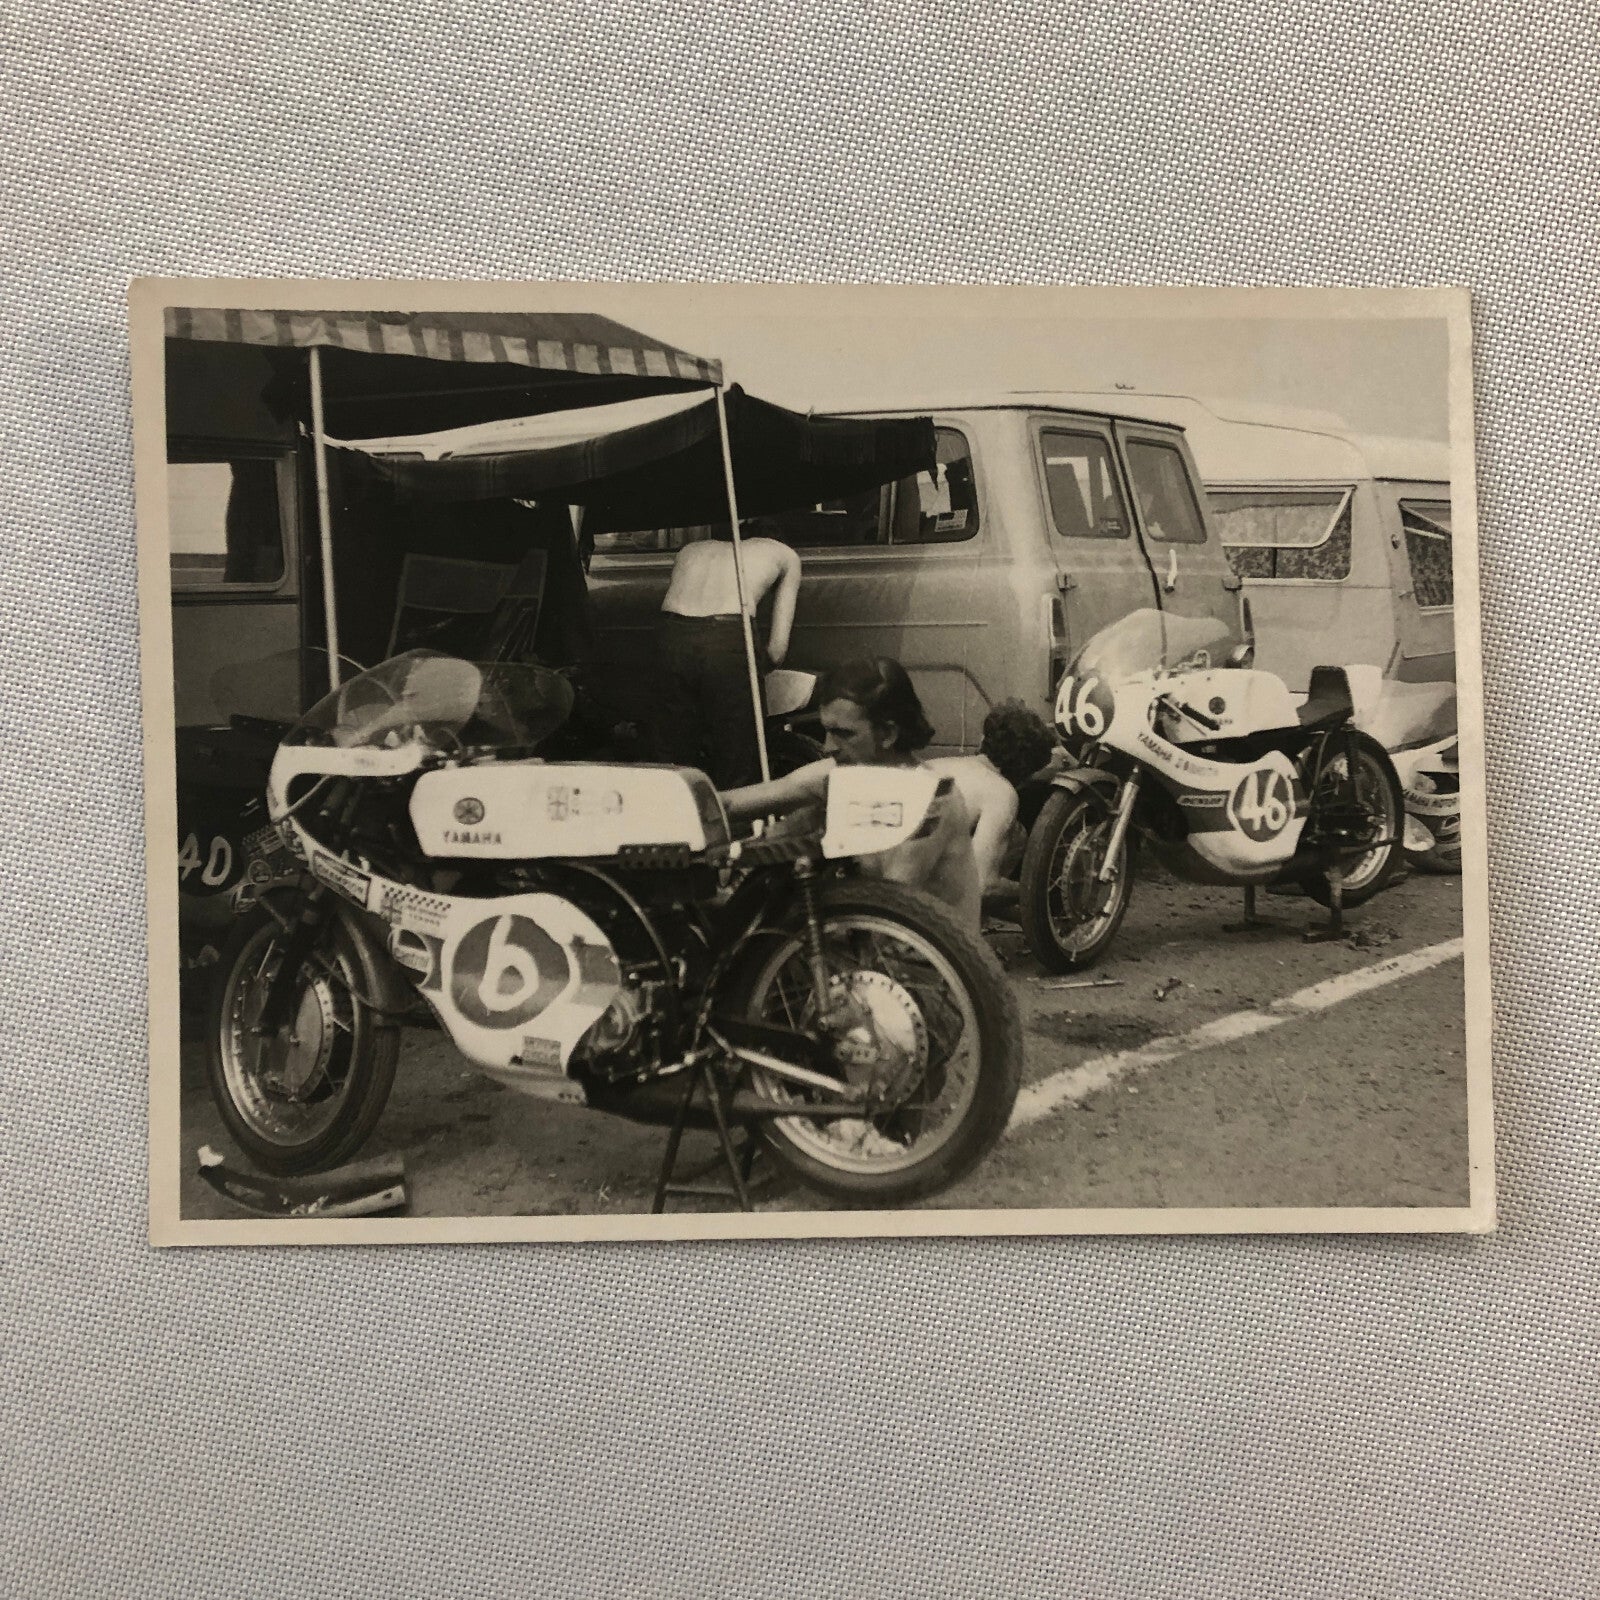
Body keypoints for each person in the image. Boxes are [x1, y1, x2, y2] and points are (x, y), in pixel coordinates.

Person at [722, 657, 981, 929]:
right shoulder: (843, 772)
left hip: (922, 962)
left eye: (843, 734)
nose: (827, 747)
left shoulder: (930, 801)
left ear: (888, 733)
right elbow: (735, 803)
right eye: (826, 731)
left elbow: (883, 913)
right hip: (871, 955)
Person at [654, 524, 801, 787]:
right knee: (738, 752)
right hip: (728, 634)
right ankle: (738, 823)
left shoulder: (690, 549)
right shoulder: (785, 555)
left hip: (671, 636)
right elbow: (777, 650)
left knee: (673, 747)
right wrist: (752, 671)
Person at [926, 701, 1059, 896]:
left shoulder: (941, 764)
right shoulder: (1001, 792)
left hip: (881, 871)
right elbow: (983, 885)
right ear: (1026, 769)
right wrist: (1036, 896)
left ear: (983, 740)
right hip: (907, 892)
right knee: (1017, 835)